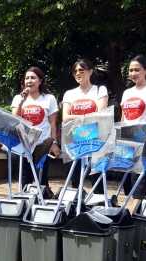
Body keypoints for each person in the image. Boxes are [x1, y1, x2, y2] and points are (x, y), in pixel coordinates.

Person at [62, 59, 108, 193]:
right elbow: (65, 117)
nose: (77, 73)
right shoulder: (69, 94)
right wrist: (88, 116)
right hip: (76, 140)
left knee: (96, 176)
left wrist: (79, 118)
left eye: (81, 70)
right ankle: (77, 207)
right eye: (75, 71)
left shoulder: (100, 90)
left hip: (96, 139)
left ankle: (98, 206)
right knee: (76, 177)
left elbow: (100, 114)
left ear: (90, 71)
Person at [11, 67, 60, 190]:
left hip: (42, 144)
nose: (29, 81)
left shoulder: (49, 98)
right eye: (27, 78)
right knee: (25, 177)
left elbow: (53, 123)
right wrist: (21, 102)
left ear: (40, 81)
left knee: (41, 177)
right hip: (24, 144)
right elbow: (14, 119)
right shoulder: (18, 98)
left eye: (33, 78)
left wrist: (54, 143)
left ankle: (44, 204)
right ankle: (25, 204)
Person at [120, 55, 146, 206]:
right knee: (127, 176)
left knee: (139, 176)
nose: (133, 73)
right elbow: (123, 116)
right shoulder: (127, 92)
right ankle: (132, 206)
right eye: (130, 70)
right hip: (126, 138)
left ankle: (136, 210)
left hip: (143, 137)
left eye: (137, 70)